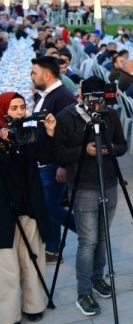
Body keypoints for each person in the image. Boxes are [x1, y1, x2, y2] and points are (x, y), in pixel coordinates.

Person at [54, 77, 127, 317]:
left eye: (100, 101)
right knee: (88, 240)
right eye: (91, 100)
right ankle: (83, 291)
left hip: (108, 182)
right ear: (82, 95)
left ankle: (98, 277)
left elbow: (122, 146)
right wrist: (83, 151)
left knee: (103, 237)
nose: (97, 106)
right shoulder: (67, 117)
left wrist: (109, 150)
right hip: (83, 185)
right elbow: (59, 152)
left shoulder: (110, 115)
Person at [0, 93, 54, 324]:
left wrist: (49, 134)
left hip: (30, 207)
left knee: (33, 258)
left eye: (22, 107)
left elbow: (46, 158)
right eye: (13, 108)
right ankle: (8, 316)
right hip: (4, 212)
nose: (19, 112)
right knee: (8, 268)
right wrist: (4, 147)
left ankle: (33, 306)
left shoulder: (29, 134)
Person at [30, 56, 77, 263]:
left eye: (34, 73)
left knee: (50, 207)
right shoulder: (47, 95)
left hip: (53, 163)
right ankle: (52, 249)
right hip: (45, 161)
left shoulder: (63, 97)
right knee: (51, 204)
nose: (31, 77)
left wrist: (63, 165)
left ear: (46, 75)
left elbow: (69, 135)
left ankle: (88, 233)